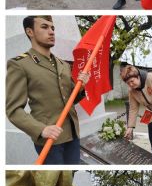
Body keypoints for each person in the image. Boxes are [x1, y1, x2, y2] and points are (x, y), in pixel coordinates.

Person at [6, 16, 90, 164]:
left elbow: (70, 100)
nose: (51, 32)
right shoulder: (20, 64)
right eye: (44, 27)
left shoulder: (63, 64)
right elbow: (13, 110)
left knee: (70, 174)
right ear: (30, 32)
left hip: (72, 134)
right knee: (53, 178)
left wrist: (81, 87)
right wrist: (40, 129)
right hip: (49, 139)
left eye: (52, 28)